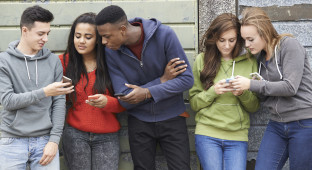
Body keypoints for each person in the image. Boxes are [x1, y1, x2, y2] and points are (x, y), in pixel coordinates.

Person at [95, 5, 193, 170]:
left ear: (123, 29)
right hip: (139, 122)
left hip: (173, 118)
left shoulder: (164, 35)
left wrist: (146, 92)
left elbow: (186, 80)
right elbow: (125, 98)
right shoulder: (110, 52)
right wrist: (162, 80)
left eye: (107, 36)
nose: (104, 42)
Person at [232, 7, 312, 170]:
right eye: (244, 40)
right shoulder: (260, 59)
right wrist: (244, 90)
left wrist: (251, 84)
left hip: (303, 122)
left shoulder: (289, 45)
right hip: (276, 123)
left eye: (251, 39)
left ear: (265, 32)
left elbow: (290, 87)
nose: (246, 45)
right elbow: (266, 94)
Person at [0, 5, 74, 170]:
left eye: (48, 33)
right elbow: (8, 101)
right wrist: (45, 92)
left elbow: (59, 103)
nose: (45, 38)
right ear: (24, 30)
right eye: (40, 33)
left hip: (44, 141)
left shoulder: (53, 61)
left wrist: (54, 141)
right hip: (11, 141)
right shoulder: (4, 61)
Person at [189, 13, 259, 170]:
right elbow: (193, 103)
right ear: (214, 38)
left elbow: (254, 106)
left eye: (231, 40)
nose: (227, 45)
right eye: (222, 40)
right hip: (207, 132)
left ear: (238, 39)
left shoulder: (249, 61)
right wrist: (213, 91)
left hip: (237, 135)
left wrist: (242, 93)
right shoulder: (202, 59)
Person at [59, 12, 126, 170]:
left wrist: (107, 102)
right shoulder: (64, 62)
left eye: (88, 37)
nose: (81, 41)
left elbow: (126, 102)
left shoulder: (112, 63)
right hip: (75, 134)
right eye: (77, 36)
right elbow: (59, 100)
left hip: (107, 136)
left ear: (98, 39)